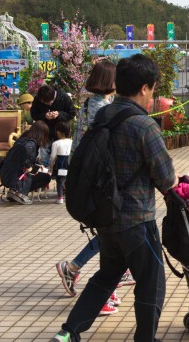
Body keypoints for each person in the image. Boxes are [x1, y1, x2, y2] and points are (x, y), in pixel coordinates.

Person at [52, 54, 178, 342]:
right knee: (151, 282)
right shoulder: (144, 126)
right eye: (153, 89)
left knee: (106, 277)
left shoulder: (102, 116)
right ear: (145, 88)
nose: (153, 96)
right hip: (137, 220)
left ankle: (68, 333)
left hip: (106, 217)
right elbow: (166, 178)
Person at [55, 60, 130, 315]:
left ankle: (76, 269)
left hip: (87, 178)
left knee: (110, 234)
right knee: (111, 235)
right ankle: (101, 289)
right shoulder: (104, 110)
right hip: (100, 181)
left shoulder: (89, 104)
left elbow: (79, 144)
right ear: (111, 81)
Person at [0, 121, 51, 205]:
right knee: (45, 177)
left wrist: (36, 164)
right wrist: (29, 167)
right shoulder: (31, 144)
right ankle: (19, 193)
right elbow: (27, 162)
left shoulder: (22, 139)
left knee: (32, 171)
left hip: (6, 175)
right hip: (15, 178)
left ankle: (15, 191)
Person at [50, 121, 73, 204]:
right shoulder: (72, 142)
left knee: (59, 180)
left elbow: (53, 156)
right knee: (70, 180)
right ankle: (70, 197)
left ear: (59, 132)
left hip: (60, 163)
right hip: (70, 162)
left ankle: (60, 198)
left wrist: (51, 164)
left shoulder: (56, 143)